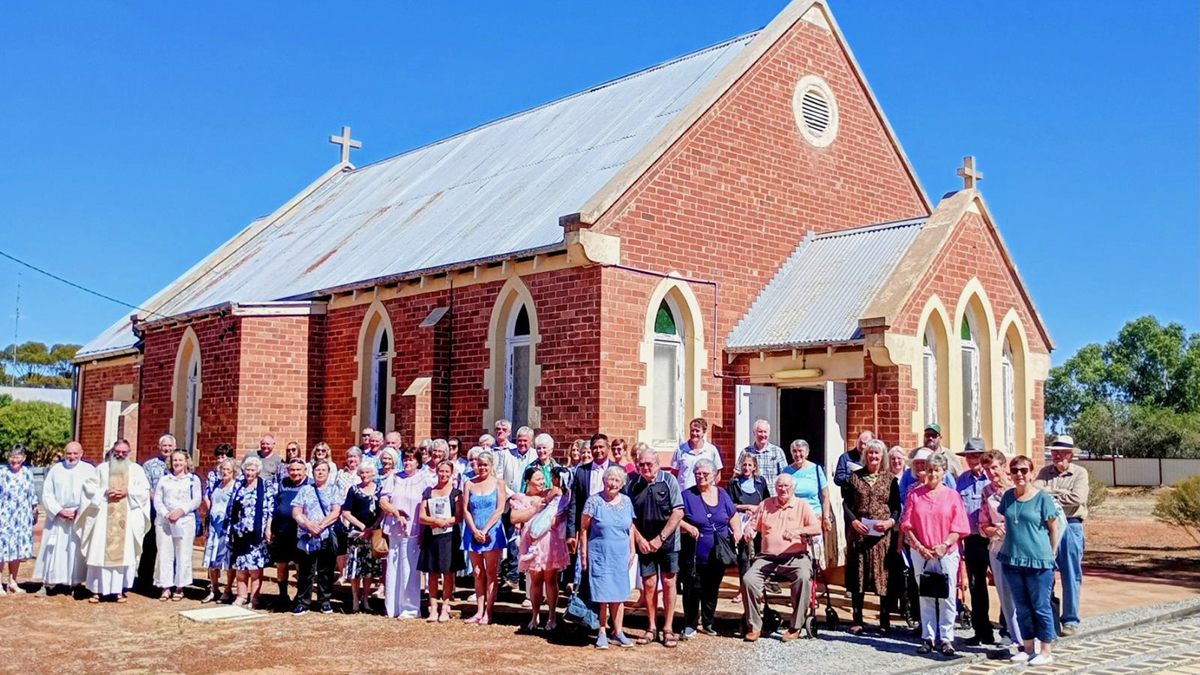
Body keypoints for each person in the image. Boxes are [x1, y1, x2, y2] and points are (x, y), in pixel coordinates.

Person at [900, 451, 970, 656]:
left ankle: (947, 638)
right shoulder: (915, 494)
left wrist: (944, 545)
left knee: (947, 595)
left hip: (946, 552)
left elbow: (959, 526)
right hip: (920, 552)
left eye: (936, 470)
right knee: (925, 595)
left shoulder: (952, 495)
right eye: (929, 470)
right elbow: (907, 524)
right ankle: (928, 637)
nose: (931, 474)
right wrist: (919, 546)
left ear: (944, 472)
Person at [741, 473, 823, 642]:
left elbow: (817, 528)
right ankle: (755, 626)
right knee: (748, 579)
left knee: (802, 577)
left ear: (793, 488)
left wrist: (797, 531)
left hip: (796, 557)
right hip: (767, 558)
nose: (783, 489)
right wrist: (749, 530)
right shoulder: (766, 504)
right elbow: (752, 524)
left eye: (786, 486)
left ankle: (795, 626)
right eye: (779, 486)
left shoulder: (802, 505)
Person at [1000, 454, 1060, 666]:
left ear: (1032, 473)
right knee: (1022, 606)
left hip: (1038, 561)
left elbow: (1054, 527)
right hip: (1012, 559)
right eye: (1015, 470)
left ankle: (1045, 649)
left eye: (1024, 470)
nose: (1019, 474)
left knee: (1040, 605)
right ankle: (1027, 647)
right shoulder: (1007, 497)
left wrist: (1052, 553)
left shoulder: (1042, 498)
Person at [626, 445, 684, 647]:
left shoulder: (669, 481)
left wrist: (661, 538)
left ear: (658, 465)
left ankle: (668, 627)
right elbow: (629, 516)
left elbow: (678, 512)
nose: (644, 468)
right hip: (645, 544)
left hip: (668, 543)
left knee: (668, 583)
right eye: (641, 464)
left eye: (649, 464)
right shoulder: (633, 484)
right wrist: (640, 539)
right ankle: (651, 626)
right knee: (649, 585)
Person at [79, 440, 151, 602]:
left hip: (127, 518)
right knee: (99, 553)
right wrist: (104, 491)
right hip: (103, 518)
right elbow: (88, 488)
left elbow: (144, 491)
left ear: (129, 452)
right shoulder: (102, 469)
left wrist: (128, 491)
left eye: (124, 452)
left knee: (124, 555)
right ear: (112, 451)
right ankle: (96, 591)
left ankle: (119, 590)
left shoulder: (136, 470)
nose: (120, 455)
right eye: (117, 452)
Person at [842, 439, 900, 634]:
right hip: (860, 534)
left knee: (882, 576)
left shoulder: (890, 479)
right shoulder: (855, 478)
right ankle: (857, 619)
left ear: (882, 456)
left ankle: (884, 621)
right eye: (870, 453)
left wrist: (889, 523)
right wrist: (853, 521)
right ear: (865, 455)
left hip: (881, 536)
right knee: (858, 576)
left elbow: (896, 508)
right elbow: (846, 504)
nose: (873, 457)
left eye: (877, 454)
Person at [679, 459, 741, 640]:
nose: (701, 477)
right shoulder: (687, 495)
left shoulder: (722, 493)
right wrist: (687, 527)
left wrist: (736, 530)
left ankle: (708, 623)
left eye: (705, 474)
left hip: (718, 553)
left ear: (713, 475)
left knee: (712, 588)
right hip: (694, 552)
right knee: (692, 588)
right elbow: (675, 516)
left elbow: (733, 514)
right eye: (698, 473)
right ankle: (690, 624)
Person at [1034, 435, 1088, 636]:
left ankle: (1070, 620)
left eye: (1062, 452)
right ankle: (1048, 617)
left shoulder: (1080, 473)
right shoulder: (1044, 472)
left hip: (1071, 525)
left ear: (1070, 455)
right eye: (1055, 452)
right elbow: (1036, 492)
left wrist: (1050, 492)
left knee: (1071, 573)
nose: (1057, 455)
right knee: (1046, 572)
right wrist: (1059, 493)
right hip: (1047, 526)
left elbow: (1078, 498)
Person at [580, 465, 637, 649]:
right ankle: (602, 631)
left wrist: (632, 549)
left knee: (619, 595)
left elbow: (630, 528)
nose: (612, 483)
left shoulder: (627, 502)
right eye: (610, 479)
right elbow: (583, 529)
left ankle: (618, 631)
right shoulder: (594, 501)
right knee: (603, 595)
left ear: (622, 484)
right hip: (600, 554)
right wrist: (583, 553)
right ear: (604, 480)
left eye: (617, 481)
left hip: (620, 554)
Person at [510, 464, 569, 632]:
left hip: (551, 542)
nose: (542, 482)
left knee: (551, 580)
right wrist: (534, 508)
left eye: (543, 478)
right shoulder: (521, 498)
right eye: (537, 479)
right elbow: (514, 518)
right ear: (528, 481)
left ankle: (551, 616)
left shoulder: (551, 493)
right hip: (532, 543)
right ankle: (535, 615)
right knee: (536, 580)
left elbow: (561, 491)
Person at [34, 442, 96, 595]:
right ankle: (50, 582)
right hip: (58, 517)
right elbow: (47, 493)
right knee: (53, 548)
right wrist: (59, 510)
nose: (72, 457)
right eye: (69, 453)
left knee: (76, 550)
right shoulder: (56, 470)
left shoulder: (89, 470)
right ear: (64, 453)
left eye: (75, 453)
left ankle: (75, 582)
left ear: (81, 453)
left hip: (78, 515)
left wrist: (78, 511)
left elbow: (93, 493)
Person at [380, 450, 434, 619]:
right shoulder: (394, 477)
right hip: (395, 528)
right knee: (393, 565)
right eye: (405, 459)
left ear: (418, 462)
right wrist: (396, 513)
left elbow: (428, 504)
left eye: (411, 460)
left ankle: (410, 608)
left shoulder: (424, 479)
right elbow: (383, 501)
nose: (407, 463)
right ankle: (392, 607)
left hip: (414, 529)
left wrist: (425, 529)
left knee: (409, 567)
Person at [978, 450, 1021, 652]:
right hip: (997, 547)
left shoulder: (1018, 488)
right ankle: (1015, 637)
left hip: (1021, 547)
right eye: (987, 469)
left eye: (994, 467)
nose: (991, 472)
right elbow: (982, 524)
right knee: (1005, 595)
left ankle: (1032, 636)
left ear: (1004, 466)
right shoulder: (986, 492)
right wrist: (995, 530)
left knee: (1022, 592)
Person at [290, 459, 342, 614]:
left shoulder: (334, 489)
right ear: (312, 473)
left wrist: (320, 526)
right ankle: (303, 602)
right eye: (317, 470)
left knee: (326, 570)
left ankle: (324, 601)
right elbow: (296, 512)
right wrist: (309, 526)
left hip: (326, 535)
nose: (320, 473)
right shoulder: (305, 490)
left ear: (328, 473)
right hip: (308, 536)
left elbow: (336, 512)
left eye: (323, 470)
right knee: (306, 570)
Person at [956, 437, 994, 645]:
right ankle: (982, 631)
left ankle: (1008, 631)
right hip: (972, 539)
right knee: (976, 586)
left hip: (994, 540)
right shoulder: (962, 480)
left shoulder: (993, 478)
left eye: (976, 455)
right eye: (969, 456)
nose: (973, 459)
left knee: (1003, 584)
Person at [462, 450, 507, 624]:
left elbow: (500, 508)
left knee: (491, 572)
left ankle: (489, 611)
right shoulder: (469, 483)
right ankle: (479, 611)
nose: (482, 468)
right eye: (479, 464)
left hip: (492, 532)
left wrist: (486, 530)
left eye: (485, 465)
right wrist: (474, 530)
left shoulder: (498, 483)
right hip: (473, 530)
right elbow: (465, 509)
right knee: (477, 572)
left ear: (490, 466)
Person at [152, 449, 202, 601]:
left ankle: (180, 587)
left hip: (185, 521)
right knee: (165, 554)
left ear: (186, 462)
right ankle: (165, 587)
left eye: (181, 460)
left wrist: (181, 511)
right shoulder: (165, 480)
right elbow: (158, 500)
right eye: (175, 460)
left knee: (183, 554)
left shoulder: (193, 480)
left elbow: (196, 500)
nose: (177, 463)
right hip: (165, 522)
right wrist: (166, 513)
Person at [418, 460, 464, 622]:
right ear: (437, 472)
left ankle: (445, 606)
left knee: (448, 571)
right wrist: (435, 521)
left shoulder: (456, 493)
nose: (443, 474)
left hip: (449, 536)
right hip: (432, 534)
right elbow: (422, 516)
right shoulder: (429, 492)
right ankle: (433, 607)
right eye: (441, 471)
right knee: (432, 572)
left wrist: (446, 521)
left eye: (447, 472)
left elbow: (459, 516)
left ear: (451, 473)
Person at [228, 456, 276, 608]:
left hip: (257, 533)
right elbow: (232, 507)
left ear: (258, 471)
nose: (249, 472)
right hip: (240, 532)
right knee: (241, 567)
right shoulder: (239, 485)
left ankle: (255, 598)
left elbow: (270, 510)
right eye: (247, 469)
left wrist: (269, 528)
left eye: (252, 470)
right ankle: (241, 596)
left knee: (255, 567)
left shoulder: (265, 485)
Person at [497, 426, 536, 589]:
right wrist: (512, 495)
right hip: (510, 503)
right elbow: (499, 477)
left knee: (527, 542)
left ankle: (525, 580)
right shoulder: (507, 454)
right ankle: (512, 577)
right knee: (512, 541)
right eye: (519, 440)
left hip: (529, 505)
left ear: (531, 442)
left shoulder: (535, 456)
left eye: (525, 441)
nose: (521, 443)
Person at [342, 461, 382, 613]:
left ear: (373, 473)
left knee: (369, 569)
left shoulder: (379, 490)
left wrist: (372, 528)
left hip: (373, 534)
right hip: (357, 534)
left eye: (367, 472)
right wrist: (362, 527)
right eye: (362, 473)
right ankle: (355, 599)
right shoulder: (354, 490)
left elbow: (382, 512)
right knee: (355, 568)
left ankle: (365, 598)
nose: (364, 475)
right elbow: (346, 512)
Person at [135, 434, 174, 591]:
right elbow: (146, 487)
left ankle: (170, 582)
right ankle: (144, 581)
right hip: (154, 510)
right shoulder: (150, 465)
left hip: (173, 513)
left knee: (172, 548)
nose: (167, 449)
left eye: (170, 446)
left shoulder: (179, 463)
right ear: (159, 447)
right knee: (150, 546)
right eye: (164, 446)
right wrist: (159, 503)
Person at [271, 458, 310, 609]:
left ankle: (299, 598)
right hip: (282, 531)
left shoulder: (310, 485)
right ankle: (282, 597)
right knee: (281, 565)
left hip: (301, 533)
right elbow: (274, 505)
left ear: (305, 470)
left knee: (301, 566)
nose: (295, 473)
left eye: (298, 470)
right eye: (292, 470)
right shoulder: (283, 483)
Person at [782, 439, 831, 558]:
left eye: (800, 451)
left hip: (814, 515)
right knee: (794, 549)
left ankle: (813, 574)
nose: (797, 454)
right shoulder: (786, 471)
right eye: (794, 451)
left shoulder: (816, 469)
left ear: (807, 453)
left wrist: (826, 517)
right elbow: (782, 495)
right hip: (794, 515)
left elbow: (825, 495)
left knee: (814, 552)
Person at [0, 445, 38, 593]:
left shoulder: (28, 473)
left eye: (17, 457)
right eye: (12, 457)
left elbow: (32, 493)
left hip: (22, 516)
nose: (14, 460)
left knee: (17, 549)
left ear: (23, 458)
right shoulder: (2, 473)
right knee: (2, 550)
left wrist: (34, 511)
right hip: (4, 516)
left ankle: (13, 581)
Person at [727, 453, 769, 584]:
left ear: (754, 467)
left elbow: (766, 502)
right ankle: (743, 587)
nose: (746, 467)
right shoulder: (734, 483)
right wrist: (746, 507)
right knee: (743, 556)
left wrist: (754, 510)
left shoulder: (761, 482)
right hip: (741, 521)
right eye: (744, 465)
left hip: (758, 521)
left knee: (758, 554)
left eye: (749, 465)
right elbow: (729, 504)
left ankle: (758, 587)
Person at [201, 458, 238, 603]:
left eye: (229, 470)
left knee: (226, 559)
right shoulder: (217, 484)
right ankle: (214, 589)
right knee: (212, 559)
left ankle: (228, 590)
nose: (225, 472)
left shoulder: (235, 486)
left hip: (226, 528)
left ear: (234, 471)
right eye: (223, 469)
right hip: (214, 528)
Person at [736, 420, 788, 496]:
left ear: (769, 433)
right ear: (754, 433)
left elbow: (784, 476)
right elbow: (737, 474)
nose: (763, 435)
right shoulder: (745, 452)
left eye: (765, 432)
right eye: (760, 432)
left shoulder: (777, 452)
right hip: (751, 497)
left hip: (773, 497)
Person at [671, 418, 722, 490]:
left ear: (703, 432)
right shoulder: (680, 450)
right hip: (684, 493)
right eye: (692, 430)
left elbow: (717, 473)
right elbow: (674, 474)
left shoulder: (711, 450)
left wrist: (711, 488)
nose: (694, 433)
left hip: (704, 493)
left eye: (697, 431)